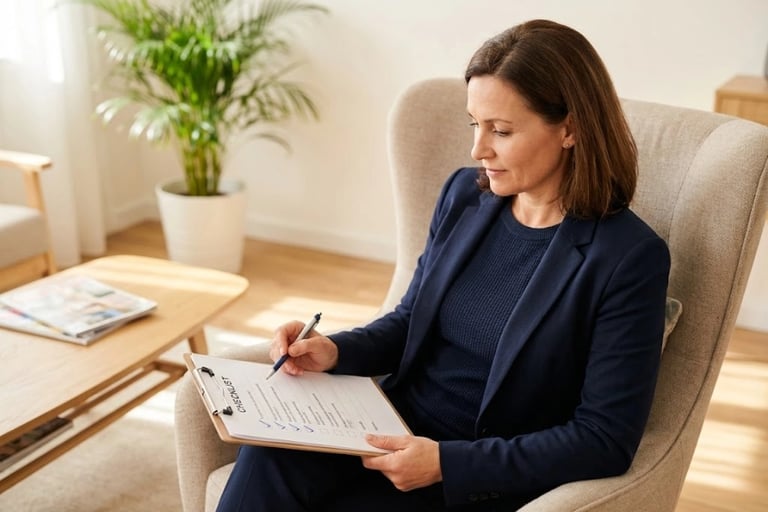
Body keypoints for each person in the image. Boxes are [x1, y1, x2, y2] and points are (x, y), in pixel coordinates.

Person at [216, 18, 670, 511]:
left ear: (570, 129)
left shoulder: (628, 257)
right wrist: (334, 351)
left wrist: (446, 464)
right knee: (266, 455)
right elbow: (410, 320)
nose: (479, 149)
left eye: (501, 130)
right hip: (391, 429)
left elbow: (604, 437)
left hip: (467, 474)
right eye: (475, 124)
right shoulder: (464, 195)